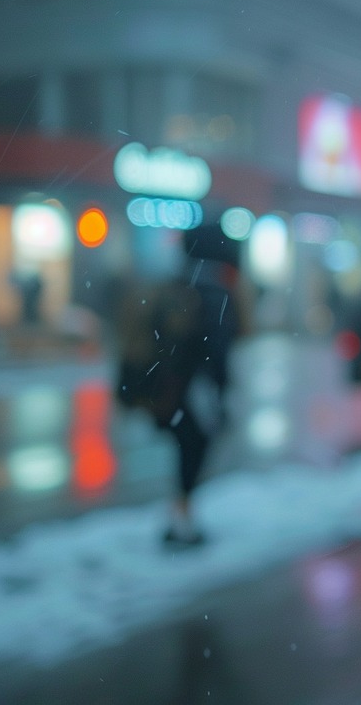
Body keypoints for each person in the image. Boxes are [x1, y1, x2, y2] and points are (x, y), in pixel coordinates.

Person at [117, 222, 243, 548]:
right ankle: (182, 521)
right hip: (191, 391)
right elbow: (217, 349)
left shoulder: (177, 283)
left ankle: (180, 516)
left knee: (186, 449)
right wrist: (221, 389)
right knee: (194, 451)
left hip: (166, 390)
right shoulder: (216, 290)